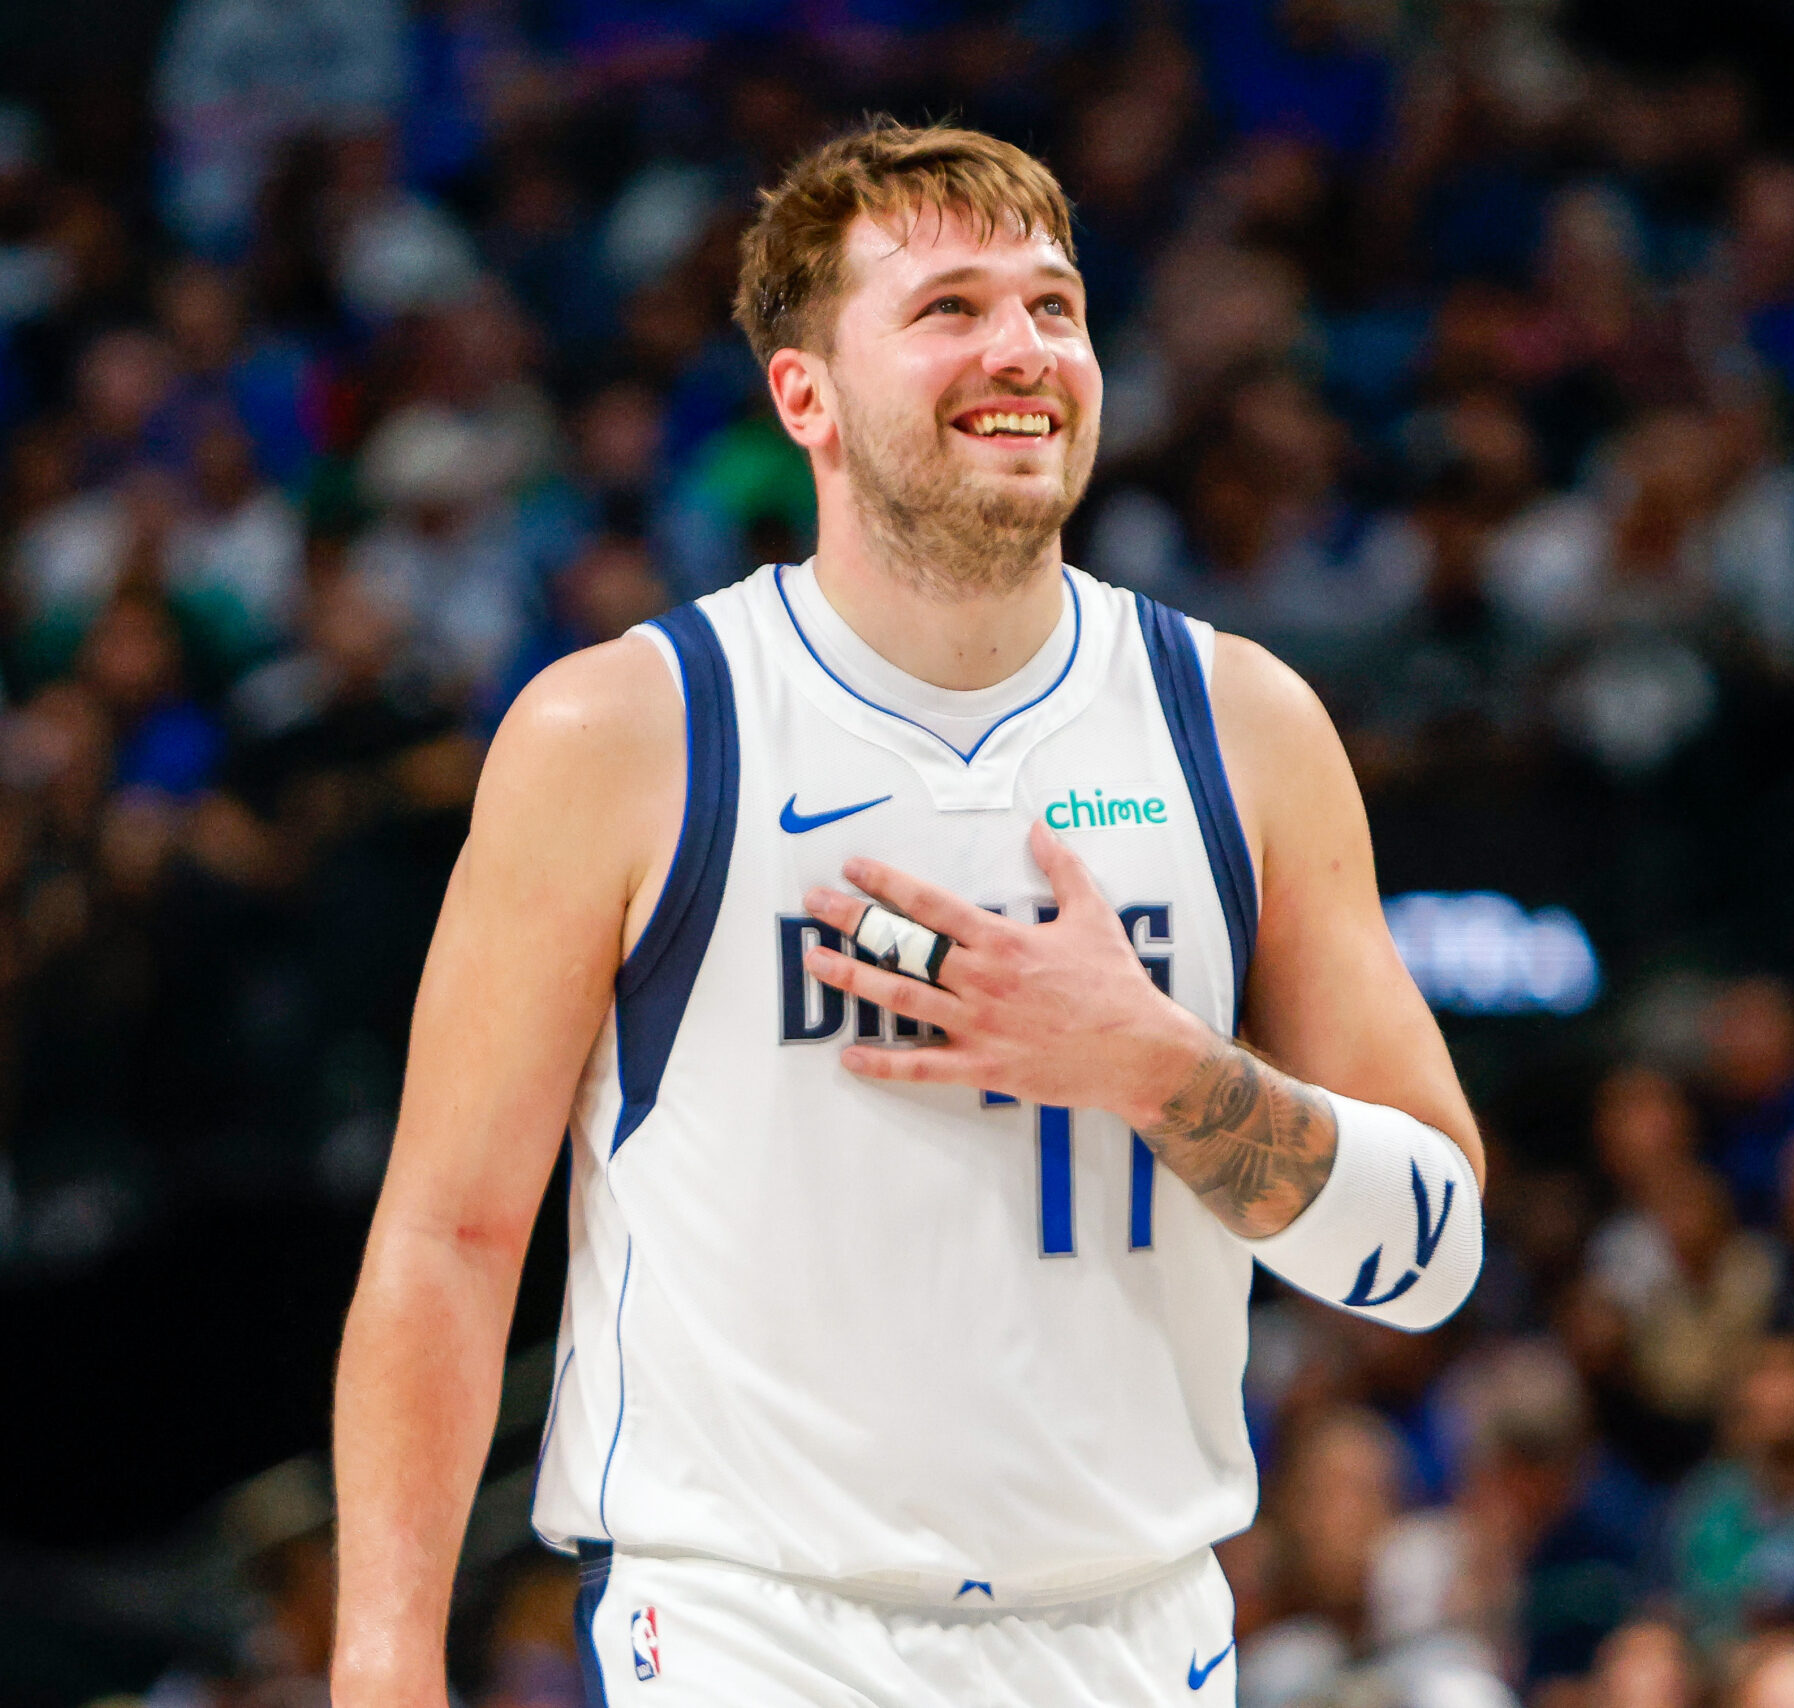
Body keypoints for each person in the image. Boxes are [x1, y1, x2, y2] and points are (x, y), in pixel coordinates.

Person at [330, 121, 1487, 1707]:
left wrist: (1154, 1066)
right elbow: (450, 1239)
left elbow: (1430, 1254)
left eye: (1055, 306)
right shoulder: (624, 736)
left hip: (1138, 1634)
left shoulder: (1246, 725)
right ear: (803, 395)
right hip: (750, 1630)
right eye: (949, 306)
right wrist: (384, 1657)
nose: (1021, 348)